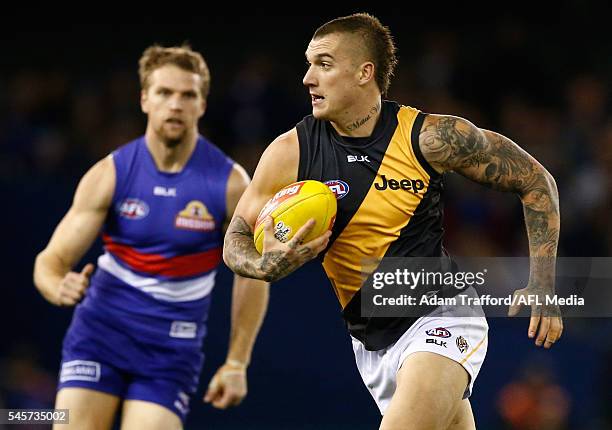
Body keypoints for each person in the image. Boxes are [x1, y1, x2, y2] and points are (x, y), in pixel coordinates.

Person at [223, 13, 563, 430]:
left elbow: (536, 181)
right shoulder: (290, 152)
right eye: (309, 64)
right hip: (370, 341)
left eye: (324, 64)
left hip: (441, 315)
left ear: (365, 72)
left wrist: (542, 284)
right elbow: (236, 235)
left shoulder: (429, 137)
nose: (308, 78)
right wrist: (261, 265)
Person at [33, 44, 269, 430]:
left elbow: (252, 273)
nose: (175, 105)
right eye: (164, 93)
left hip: (170, 352)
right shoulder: (110, 174)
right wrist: (57, 286)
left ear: (202, 105)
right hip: (99, 336)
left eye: (187, 95)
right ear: (145, 99)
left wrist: (237, 362)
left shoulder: (228, 183)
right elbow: (49, 262)